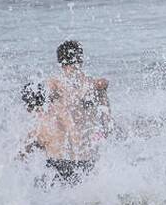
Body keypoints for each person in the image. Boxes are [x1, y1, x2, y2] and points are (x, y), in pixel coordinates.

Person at [42, 41, 113, 184]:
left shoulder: (54, 84)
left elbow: (40, 116)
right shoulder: (96, 84)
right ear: (80, 58)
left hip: (60, 159)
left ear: (60, 62)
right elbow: (107, 120)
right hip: (87, 161)